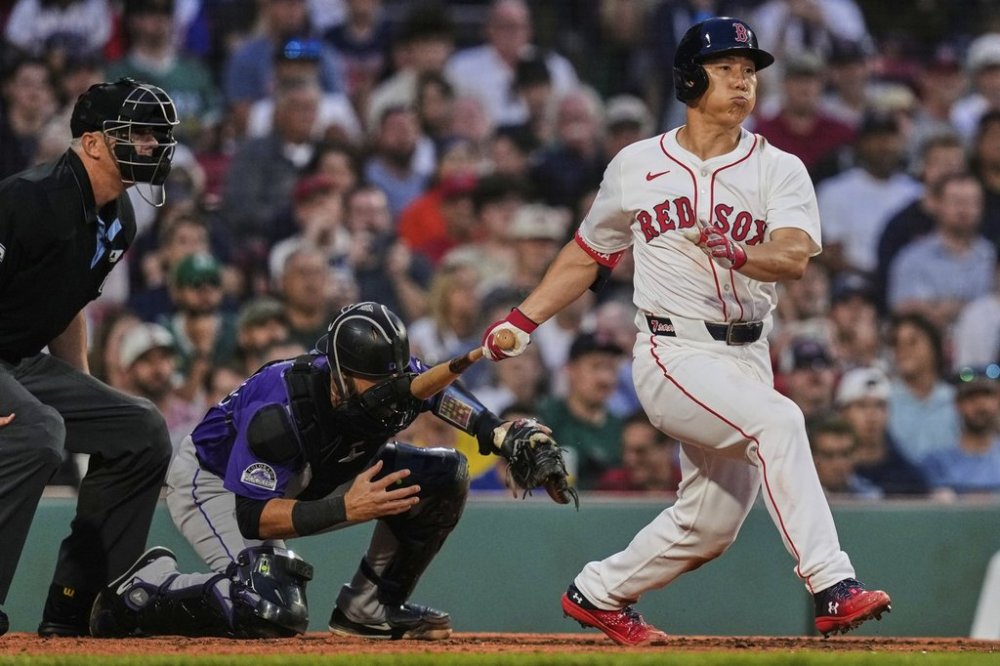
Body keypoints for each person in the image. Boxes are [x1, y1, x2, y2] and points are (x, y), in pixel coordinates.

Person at [480, 18, 891, 644]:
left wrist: (739, 253)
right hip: (672, 349)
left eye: (749, 71)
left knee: (710, 526)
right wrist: (521, 319)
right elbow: (590, 252)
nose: (742, 82)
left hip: (747, 353)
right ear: (690, 78)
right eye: (727, 68)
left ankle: (599, 591)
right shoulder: (637, 164)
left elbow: (794, 257)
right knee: (778, 422)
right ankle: (833, 585)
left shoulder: (779, 168)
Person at [85, 301, 572, 639]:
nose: (389, 390)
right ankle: (147, 591)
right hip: (216, 482)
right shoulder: (280, 405)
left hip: (318, 470)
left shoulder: (395, 375)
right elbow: (253, 516)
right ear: (338, 374)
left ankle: (369, 609)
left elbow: (438, 394)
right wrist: (345, 506)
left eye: (395, 377)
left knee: (445, 475)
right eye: (375, 381)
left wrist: (499, 434)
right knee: (266, 607)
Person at [0, 78, 179, 637]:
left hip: (22, 363)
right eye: (138, 133)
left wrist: (83, 393)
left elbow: (68, 302)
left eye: (156, 136)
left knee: (140, 428)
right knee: (37, 431)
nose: (151, 145)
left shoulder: (119, 217)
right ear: (94, 142)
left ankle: (76, 609)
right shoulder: (26, 200)